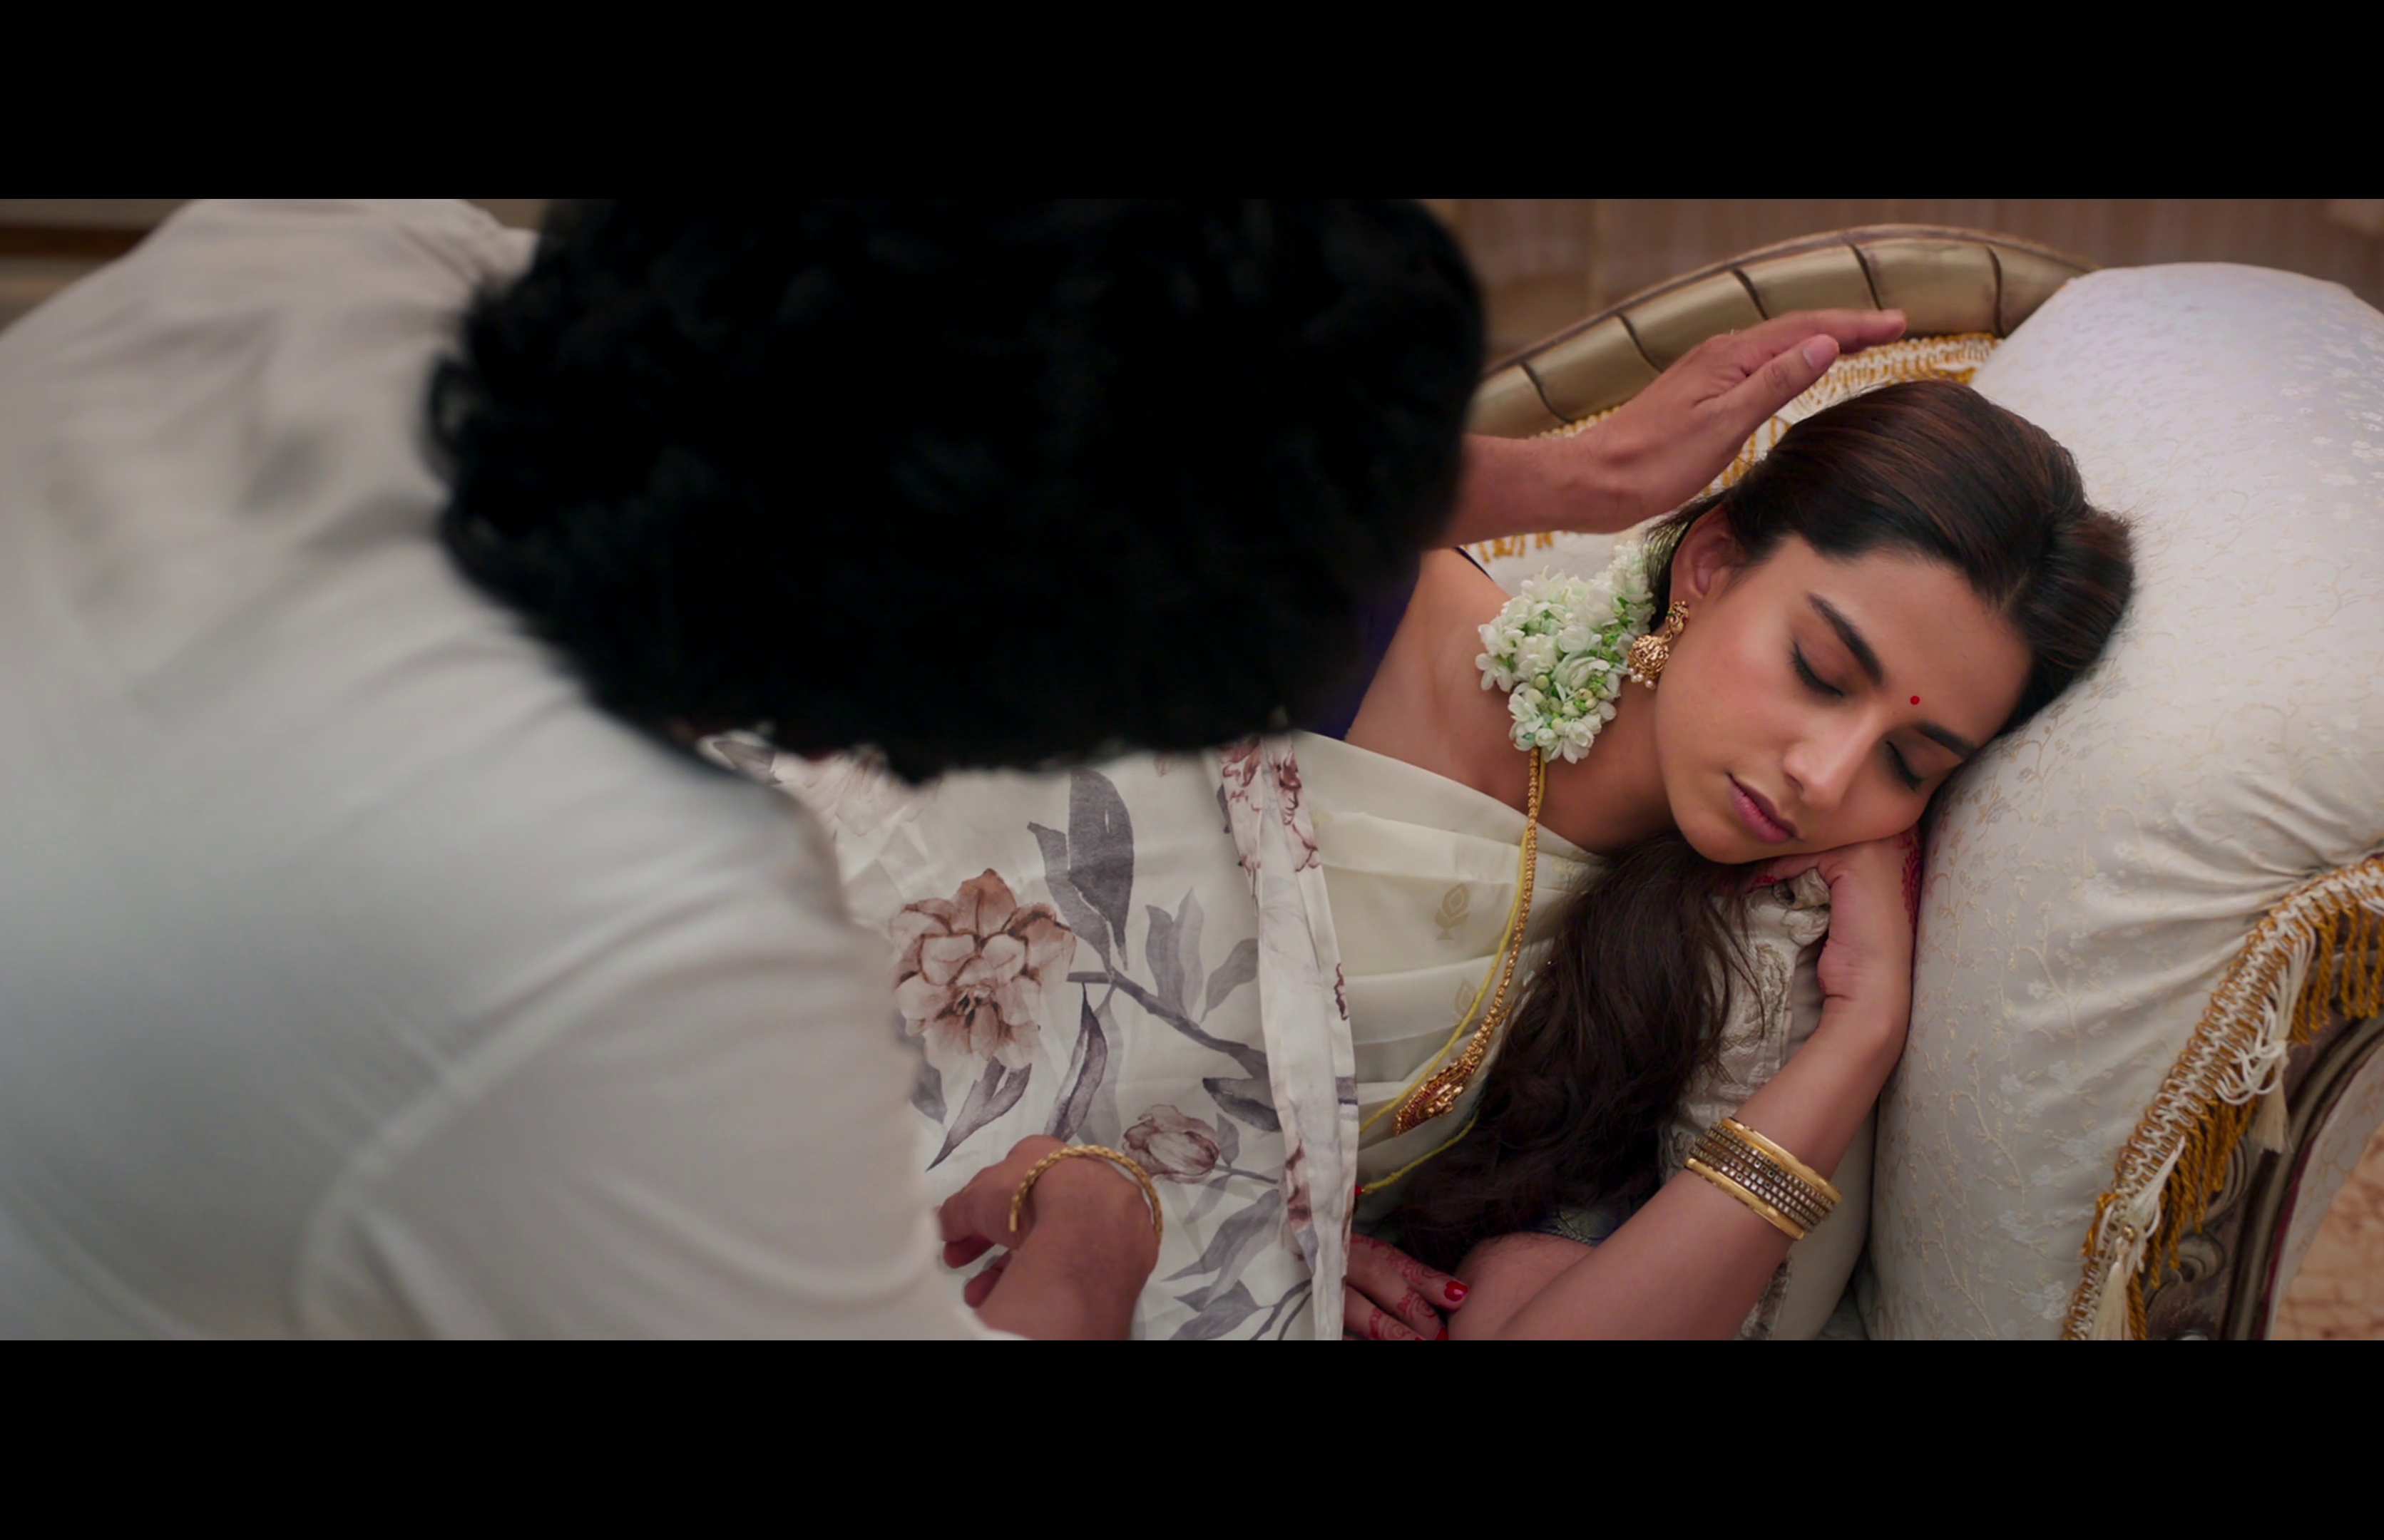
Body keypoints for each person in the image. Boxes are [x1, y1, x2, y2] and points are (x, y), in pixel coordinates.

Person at [0, 199, 1881, 1337]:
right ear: (966, 719)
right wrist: (1094, 1237)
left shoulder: (310, 257)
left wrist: (1546, 478)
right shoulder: (652, 951)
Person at [1327, 379, 2136, 1339]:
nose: (1824, 779)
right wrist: (1580, 476)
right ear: (1710, 566)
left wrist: (1863, 1035)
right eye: (1819, 672)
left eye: (1907, 764)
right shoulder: (1366, 610)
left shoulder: (1702, 967)